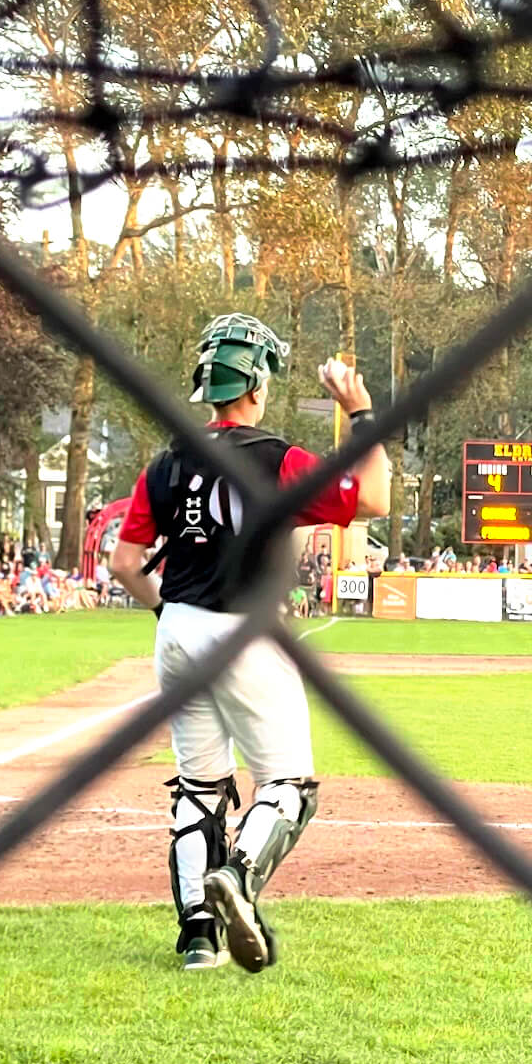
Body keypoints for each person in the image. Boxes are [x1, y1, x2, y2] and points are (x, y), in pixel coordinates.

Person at [110, 314, 389, 976]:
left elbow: (125, 562)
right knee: (288, 783)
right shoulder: (276, 458)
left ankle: (197, 939)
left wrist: (170, 613)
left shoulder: (167, 462)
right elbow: (372, 496)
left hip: (178, 628)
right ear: (258, 384)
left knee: (199, 786)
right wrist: (362, 410)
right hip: (245, 629)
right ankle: (238, 874)